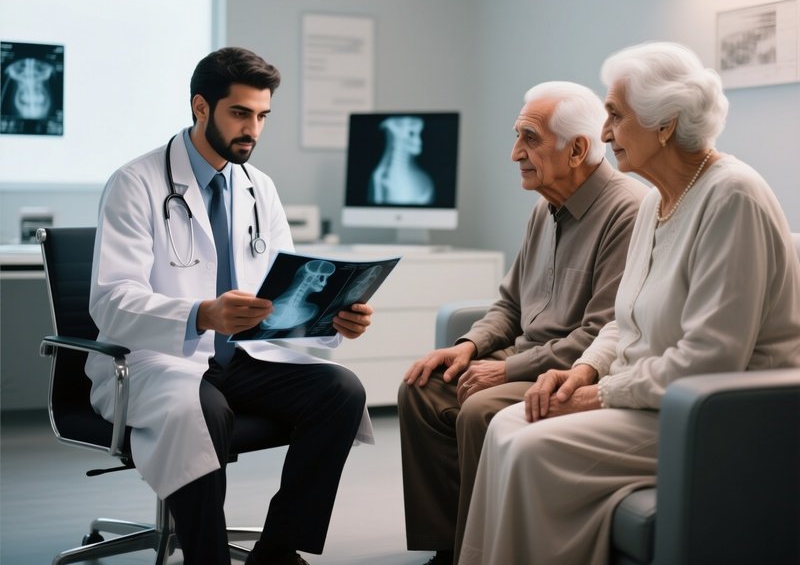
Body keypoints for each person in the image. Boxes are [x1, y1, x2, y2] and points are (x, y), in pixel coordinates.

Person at [459, 41, 800, 565]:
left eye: (615, 115)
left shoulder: (733, 196)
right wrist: (584, 371)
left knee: (528, 444)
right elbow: (625, 319)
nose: (603, 132)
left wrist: (600, 395)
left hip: (714, 414)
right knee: (507, 425)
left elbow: (711, 358)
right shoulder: (659, 200)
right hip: (651, 397)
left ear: (664, 124)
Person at [88, 47, 375, 565]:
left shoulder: (258, 187)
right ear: (201, 107)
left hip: (243, 357)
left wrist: (330, 316)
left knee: (340, 391)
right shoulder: (136, 184)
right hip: (160, 360)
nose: (253, 130)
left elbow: (281, 293)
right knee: (204, 409)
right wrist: (202, 314)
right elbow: (112, 303)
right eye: (240, 113)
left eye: (262, 116)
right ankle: (206, 558)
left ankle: (278, 549)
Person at [398, 81, 649, 565]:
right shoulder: (543, 208)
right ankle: (447, 544)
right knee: (421, 387)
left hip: (575, 370)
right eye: (517, 137)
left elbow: (601, 331)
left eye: (529, 139)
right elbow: (510, 305)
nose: (515, 153)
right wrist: (470, 347)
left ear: (576, 149)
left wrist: (507, 371)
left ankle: (485, 548)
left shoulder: (627, 210)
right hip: (524, 359)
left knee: (478, 408)